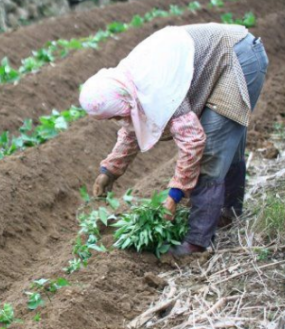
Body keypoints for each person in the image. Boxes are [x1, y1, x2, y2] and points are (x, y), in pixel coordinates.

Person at [79, 23, 269, 256]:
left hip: (238, 57)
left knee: (213, 150)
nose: (117, 120)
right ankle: (227, 214)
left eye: (117, 115)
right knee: (224, 144)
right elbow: (132, 126)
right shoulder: (126, 84)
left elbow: (193, 142)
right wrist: (109, 170)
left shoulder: (158, 87)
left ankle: (197, 242)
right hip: (218, 57)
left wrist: (175, 195)